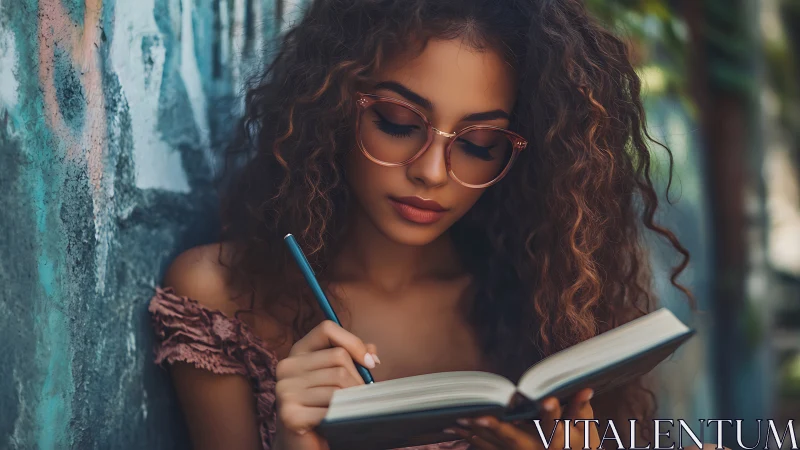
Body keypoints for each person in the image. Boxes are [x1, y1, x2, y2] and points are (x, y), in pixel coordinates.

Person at [147, 0, 702, 449]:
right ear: (333, 104)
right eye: (398, 123)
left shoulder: (548, 307)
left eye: (480, 144)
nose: (432, 172)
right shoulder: (223, 298)